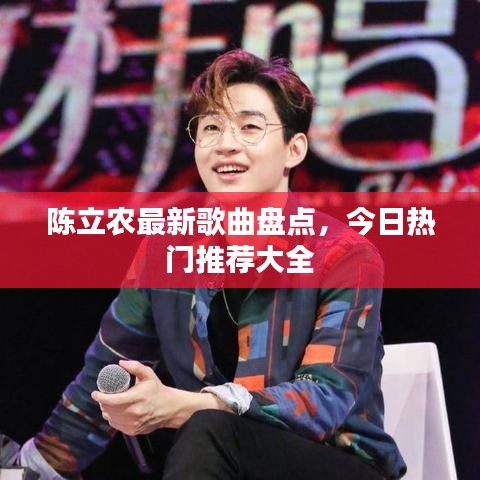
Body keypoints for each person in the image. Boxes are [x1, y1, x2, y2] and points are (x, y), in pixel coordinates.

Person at [14, 49, 406, 479]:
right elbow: (102, 376)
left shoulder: (343, 255)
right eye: (212, 128)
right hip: (214, 459)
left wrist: (191, 406)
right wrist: (31, 469)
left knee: (206, 429)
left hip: (335, 464)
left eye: (250, 127)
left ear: (294, 149)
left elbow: (323, 400)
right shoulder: (167, 249)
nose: (226, 144)